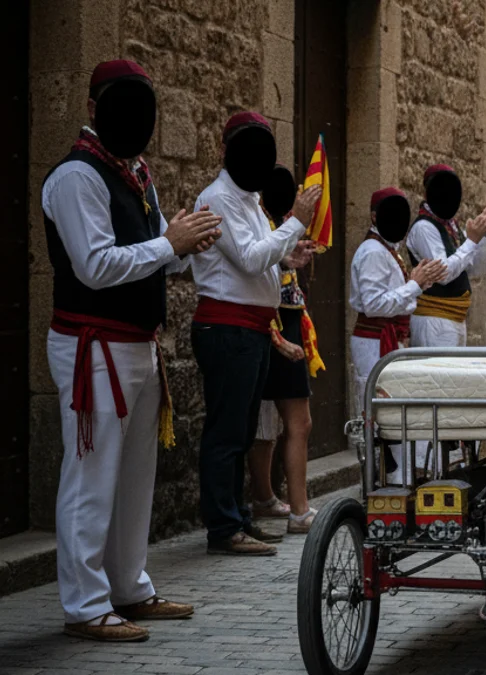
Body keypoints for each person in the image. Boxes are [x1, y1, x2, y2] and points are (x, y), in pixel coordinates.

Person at [43, 59, 222, 642]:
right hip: (93, 345)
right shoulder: (78, 176)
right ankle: (85, 605)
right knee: (92, 475)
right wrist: (170, 243)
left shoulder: (136, 173)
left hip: (135, 345)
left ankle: (128, 587)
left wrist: (188, 245)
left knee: (133, 477)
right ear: (93, 109)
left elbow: (158, 253)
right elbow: (95, 266)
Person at [192, 111, 321, 557]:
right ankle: (224, 527)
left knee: (242, 431)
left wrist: (286, 255)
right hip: (228, 328)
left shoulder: (246, 199)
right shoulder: (218, 199)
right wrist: (296, 222)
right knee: (227, 430)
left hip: (249, 328)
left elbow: (258, 255)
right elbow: (248, 259)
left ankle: (238, 518)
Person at [349, 187, 445, 484]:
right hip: (376, 340)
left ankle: (402, 477)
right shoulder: (373, 252)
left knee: (394, 407)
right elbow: (374, 304)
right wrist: (414, 285)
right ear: (374, 217)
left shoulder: (387, 250)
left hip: (390, 338)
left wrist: (419, 283)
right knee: (382, 411)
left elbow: (395, 297)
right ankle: (387, 479)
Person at [247, 166, 323, 534]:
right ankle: (299, 510)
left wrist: (290, 257)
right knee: (297, 421)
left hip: (274, 320)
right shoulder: (263, 219)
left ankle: (264, 497)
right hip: (277, 321)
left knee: (267, 420)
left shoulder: (264, 219)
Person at [407, 165, 486, 348]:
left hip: (455, 318)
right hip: (434, 318)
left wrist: (484, 234)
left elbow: (474, 270)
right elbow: (443, 274)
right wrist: (472, 241)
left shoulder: (451, 226)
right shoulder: (424, 227)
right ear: (427, 193)